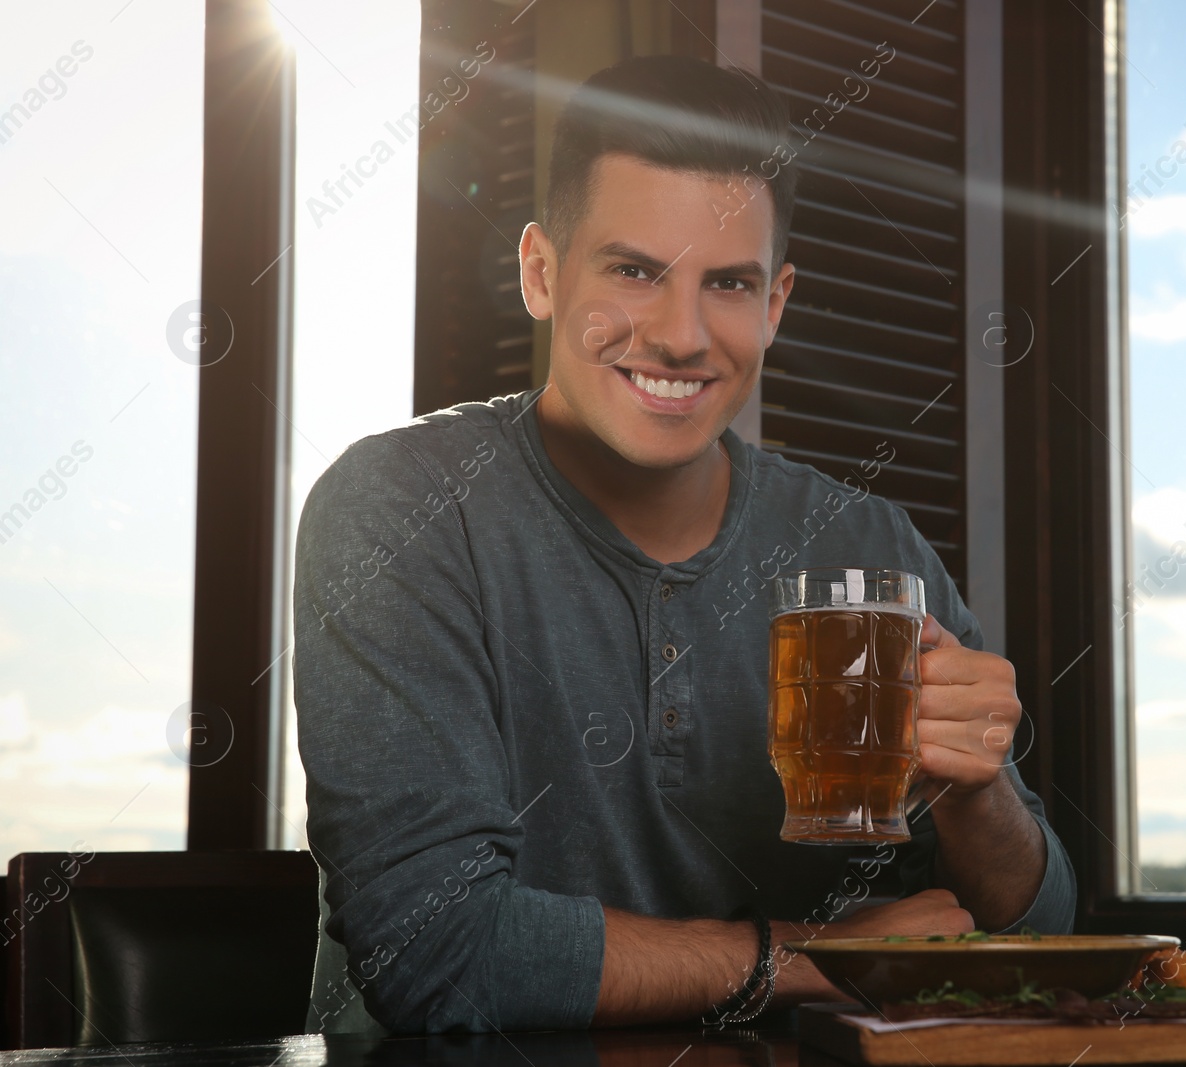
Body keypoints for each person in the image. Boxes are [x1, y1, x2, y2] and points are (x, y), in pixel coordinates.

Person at [295, 53, 1075, 1035]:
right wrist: (820, 957)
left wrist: (978, 792)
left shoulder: (871, 543)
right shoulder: (397, 508)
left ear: (775, 304)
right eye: (633, 271)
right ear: (541, 272)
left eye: (729, 283)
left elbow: (1037, 929)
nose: (680, 333)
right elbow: (434, 954)